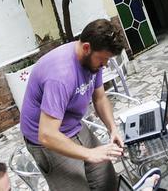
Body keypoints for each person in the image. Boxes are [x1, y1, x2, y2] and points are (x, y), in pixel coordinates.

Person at [20, 19, 125, 191]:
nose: (105, 65)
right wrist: (90, 154)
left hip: (74, 125)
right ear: (86, 48)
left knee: (106, 180)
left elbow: (99, 98)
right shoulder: (61, 76)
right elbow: (47, 135)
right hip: (48, 139)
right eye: (103, 60)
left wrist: (112, 128)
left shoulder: (93, 61)